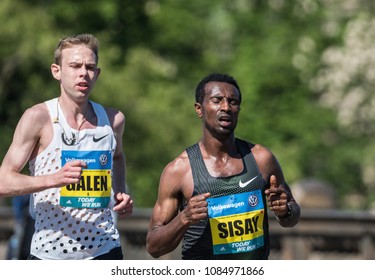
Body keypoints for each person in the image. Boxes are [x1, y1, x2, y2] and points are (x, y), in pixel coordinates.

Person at [0, 33, 133, 260]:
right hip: (51, 253)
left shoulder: (113, 120)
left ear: (97, 74)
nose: (83, 73)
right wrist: (54, 179)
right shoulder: (38, 118)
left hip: (105, 249)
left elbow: (118, 157)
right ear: (57, 71)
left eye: (90, 67)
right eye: (74, 66)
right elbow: (3, 182)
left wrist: (120, 192)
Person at [146, 73, 300, 260]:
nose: (226, 107)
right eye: (217, 100)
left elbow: (292, 217)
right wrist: (184, 218)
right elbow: (153, 247)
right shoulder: (179, 170)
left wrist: (285, 211)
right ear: (199, 109)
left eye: (233, 102)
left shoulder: (261, 159)